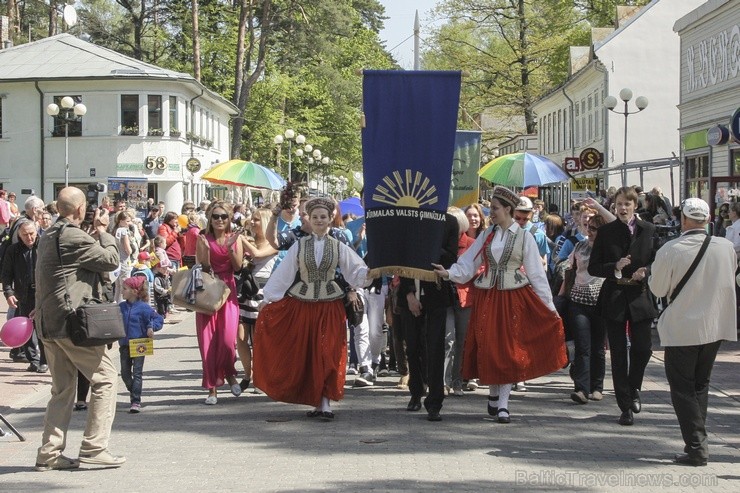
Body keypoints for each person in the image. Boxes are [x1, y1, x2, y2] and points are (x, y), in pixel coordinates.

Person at [432, 185, 566, 423]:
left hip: (513, 297)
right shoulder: (488, 234)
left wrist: (549, 307)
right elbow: (469, 262)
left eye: (494, 208)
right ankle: (494, 394)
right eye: (491, 208)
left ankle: (502, 402)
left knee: (507, 349)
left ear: (507, 209)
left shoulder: (524, 236)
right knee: (489, 346)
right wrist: (449, 273)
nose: (490, 213)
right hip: (487, 296)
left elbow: (536, 273)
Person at [253, 197, 371, 420]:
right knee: (309, 352)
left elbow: (355, 269)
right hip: (303, 304)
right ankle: (318, 401)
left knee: (328, 352)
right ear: (309, 219)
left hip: (331, 305)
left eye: (323, 217)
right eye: (315, 217)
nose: (318, 220)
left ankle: (325, 402)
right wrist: (268, 298)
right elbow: (284, 273)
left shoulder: (338, 245)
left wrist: (367, 274)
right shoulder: (299, 245)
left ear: (329, 220)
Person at [33, 186, 124, 471]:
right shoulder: (72, 235)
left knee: (62, 390)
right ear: (81, 209)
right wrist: (105, 231)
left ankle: (49, 454)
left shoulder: (49, 234)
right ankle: (95, 447)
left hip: (48, 323)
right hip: (72, 324)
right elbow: (110, 260)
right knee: (106, 378)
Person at [648, 198, 737, 466]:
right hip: (715, 325)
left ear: (684, 220)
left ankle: (697, 446)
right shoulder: (726, 247)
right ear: (708, 220)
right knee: (700, 385)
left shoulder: (670, 249)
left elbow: (657, 289)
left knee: (683, 389)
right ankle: (696, 443)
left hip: (682, 327)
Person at [588, 186, 657, 426]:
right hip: (615, 296)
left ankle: (634, 386)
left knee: (643, 348)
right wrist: (615, 266)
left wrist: (646, 270)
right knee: (618, 354)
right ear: (614, 206)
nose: (623, 208)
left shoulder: (648, 230)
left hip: (639, 295)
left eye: (627, 204)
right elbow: (593, 266)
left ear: (635, 206)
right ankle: (625, 406)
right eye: (619, 204)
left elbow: (657, 259)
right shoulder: (607, 232)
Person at [399, 211, 459, 421]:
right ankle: (416, 392)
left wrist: (427, 245)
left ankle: (434, 402)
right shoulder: (408, 219)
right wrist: (409, 294)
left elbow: (451, 257)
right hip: (410, 293)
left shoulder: (450, 222)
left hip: (436, 293)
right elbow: (402, 257)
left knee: (435, 347)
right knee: (413, 346)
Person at [195, 202, 243, 405]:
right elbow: (204, 267)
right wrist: (206, 251)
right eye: (215, 216)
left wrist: (232, 246)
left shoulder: (234, 238)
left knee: (227, 339)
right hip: (209, 290)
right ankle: (212, 389)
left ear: (230, 218)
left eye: (224, 216)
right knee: (208, 342)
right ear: (209, 218)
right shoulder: (202, 238)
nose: (220, 220)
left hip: (228, 290)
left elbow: (238, 266)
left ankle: (230, 374)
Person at [561, 213, 608, 404]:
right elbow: (569, 272)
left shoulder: (607, 249)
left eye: (594, 228)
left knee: (598, 347)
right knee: (582, 346)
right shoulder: (579, 246)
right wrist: (561, 295)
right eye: (588, 227)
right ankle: (581, 388)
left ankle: (597, 387)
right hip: (578, 301)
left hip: (600, 302)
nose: (590, 231)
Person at [236, 208, 277, 391]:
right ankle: (248, 374)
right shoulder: (249, 239)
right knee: (240, 337)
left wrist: (241, 239)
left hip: (262, 291)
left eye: (257, 220)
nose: (252, 223)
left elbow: (257, 255)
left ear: (266, 222)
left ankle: (261, 377)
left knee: (260, 339)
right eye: (251, 219)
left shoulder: (273, 242)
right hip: (245, 291)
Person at [1, 220, 47, 372]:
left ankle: (44, 360)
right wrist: (8, 292)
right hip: (23, 294)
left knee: (42, 329)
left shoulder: (44, 246)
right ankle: (33, 359)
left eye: (32, 233)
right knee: (26, 327)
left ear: (37, 231)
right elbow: (6, 274)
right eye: (25, 234)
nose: (29, 237)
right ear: (19, 235)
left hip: (43, 294)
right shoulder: (13, 250)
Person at [118, 276, 164, 413]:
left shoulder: (144, 308)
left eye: (124, 289)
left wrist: (152, 328)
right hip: (124, 345)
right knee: (125, 373)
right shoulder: (120, 307)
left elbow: (159, 320)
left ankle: (135, 401)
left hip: (139, 343)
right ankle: (134, 391)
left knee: (137, 373)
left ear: (134, 291)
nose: (122, 292)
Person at [444, 207, 475, 397]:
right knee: (448, 340)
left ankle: (458, 380)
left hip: (465, 298)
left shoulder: (471, 244)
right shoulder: (440, 243)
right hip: (445, 298)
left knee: (462, 340)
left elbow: (479, 268)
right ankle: (444, 381)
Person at [113, 211, 133, 303]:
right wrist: (132, 249)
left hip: (117, 260)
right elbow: (128, 250)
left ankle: (116, 305)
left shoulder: (115, 230)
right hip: (124, 261)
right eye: (128, 221)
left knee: (118, 286)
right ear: (121, 221)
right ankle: (123, 307)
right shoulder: (124, 231)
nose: (130, 223)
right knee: (125, 285)